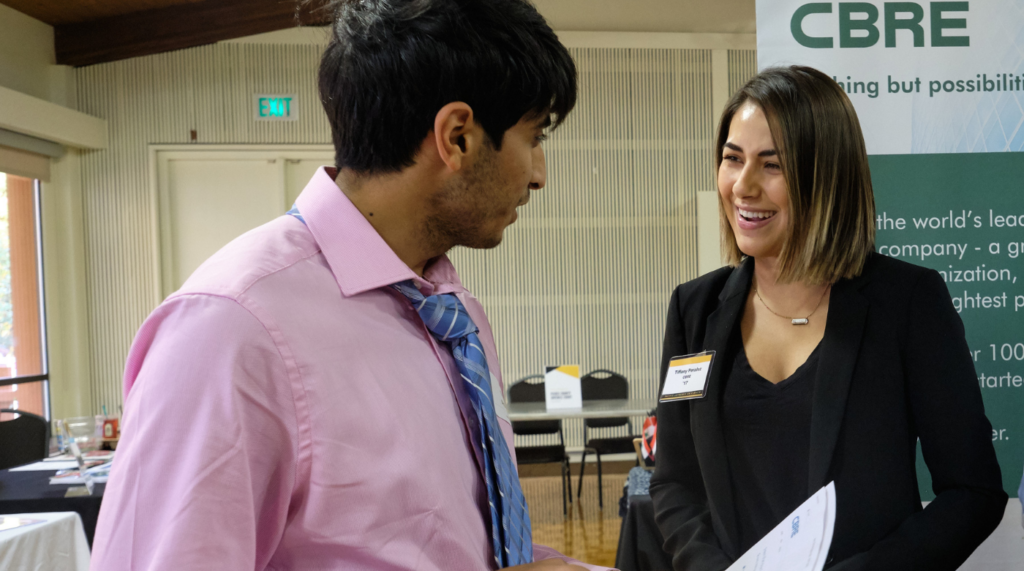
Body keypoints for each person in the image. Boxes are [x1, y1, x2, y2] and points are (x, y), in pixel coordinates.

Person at [89, 1, 608, 569]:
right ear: (457, 136)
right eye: (533, 137)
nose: (538, 174)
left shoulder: (450, 311)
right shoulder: (231, 331)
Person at [649, 66, 1007, 571]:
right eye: (733, 159)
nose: (743, 186)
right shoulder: (694, 309)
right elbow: (674, 481)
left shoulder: (907, 302)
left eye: (772, 165)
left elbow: (972, 491)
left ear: (827, 174)